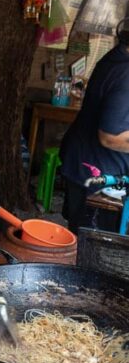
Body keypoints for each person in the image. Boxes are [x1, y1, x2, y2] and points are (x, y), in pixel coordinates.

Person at [60, 17, 129, 233]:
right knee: (91, 251)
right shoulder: (125, 73)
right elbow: (111, 136)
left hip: (83, 160)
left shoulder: (115, 58)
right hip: (97, 173)